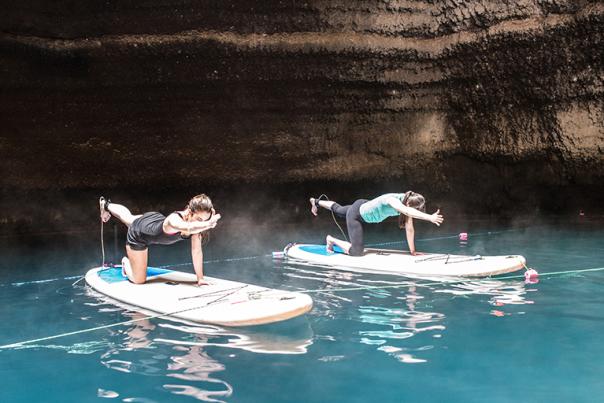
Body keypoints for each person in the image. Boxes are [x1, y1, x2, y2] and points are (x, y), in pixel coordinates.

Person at [99, 194, 220, 286]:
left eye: (204, 220)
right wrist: (208, 224)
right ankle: (126, 262)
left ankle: (106, 205)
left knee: (128, 217)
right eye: (199, 219)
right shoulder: (174, 219)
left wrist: (200, 278)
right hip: (139, 234)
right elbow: (188, 227)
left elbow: (197, 252)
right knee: (139, 280)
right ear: (189, 212)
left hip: (152, 221)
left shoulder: (197, 227)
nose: (201, 223)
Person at [309, 192, 443, 256]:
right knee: (357, 252)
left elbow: (410, 229)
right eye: (415, 209)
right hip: (357, 215)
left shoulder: (406, 202)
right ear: (408, 204)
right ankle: (331, 240)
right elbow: (407, 210)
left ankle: (316, 201)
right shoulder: (394, 201)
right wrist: (430, 217)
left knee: (338, 209)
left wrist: (413, 251)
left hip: (362, 204)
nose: (415, 211)